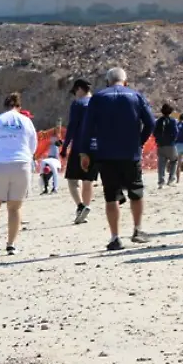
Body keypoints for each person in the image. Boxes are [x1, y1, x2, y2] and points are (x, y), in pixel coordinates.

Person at [80, 67, 155, 251]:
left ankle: (115, 237)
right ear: (125, 82)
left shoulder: (98, 98)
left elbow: (87, 127)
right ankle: (137, 230)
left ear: (107, 82)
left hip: (106, 154)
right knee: (136, 191)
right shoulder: (136, 96)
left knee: (111, 195)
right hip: (131, 153)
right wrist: (140, 142)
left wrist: (84, 152)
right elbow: (151, 123)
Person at [0, 92, 38, 256]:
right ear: (19, 106)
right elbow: (33, 146)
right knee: (15, 207)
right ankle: (11, 244)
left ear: (5, 106)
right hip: (21, 164)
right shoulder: (26, 121)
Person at [62, 79, 97, 225]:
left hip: (79, 147)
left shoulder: (78, 104)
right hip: (95, 146)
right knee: (88, 181)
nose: (75, 95)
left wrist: (64, 147)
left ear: (79, 89)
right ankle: (85, 209)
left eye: (75, 92)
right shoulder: (98, 103)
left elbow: (72, 126)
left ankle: (81, 206)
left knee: (72, 180)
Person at [154, 103, 180, 188]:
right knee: (174, 161)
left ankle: (161, 182)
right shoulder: (172, 120)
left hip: (160, 145)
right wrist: (173, 139)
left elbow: (154, 132)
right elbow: (176, 132)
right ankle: (171, 180)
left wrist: (158, 140)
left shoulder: (158, 121)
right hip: (170, 145)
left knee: (161, 164)